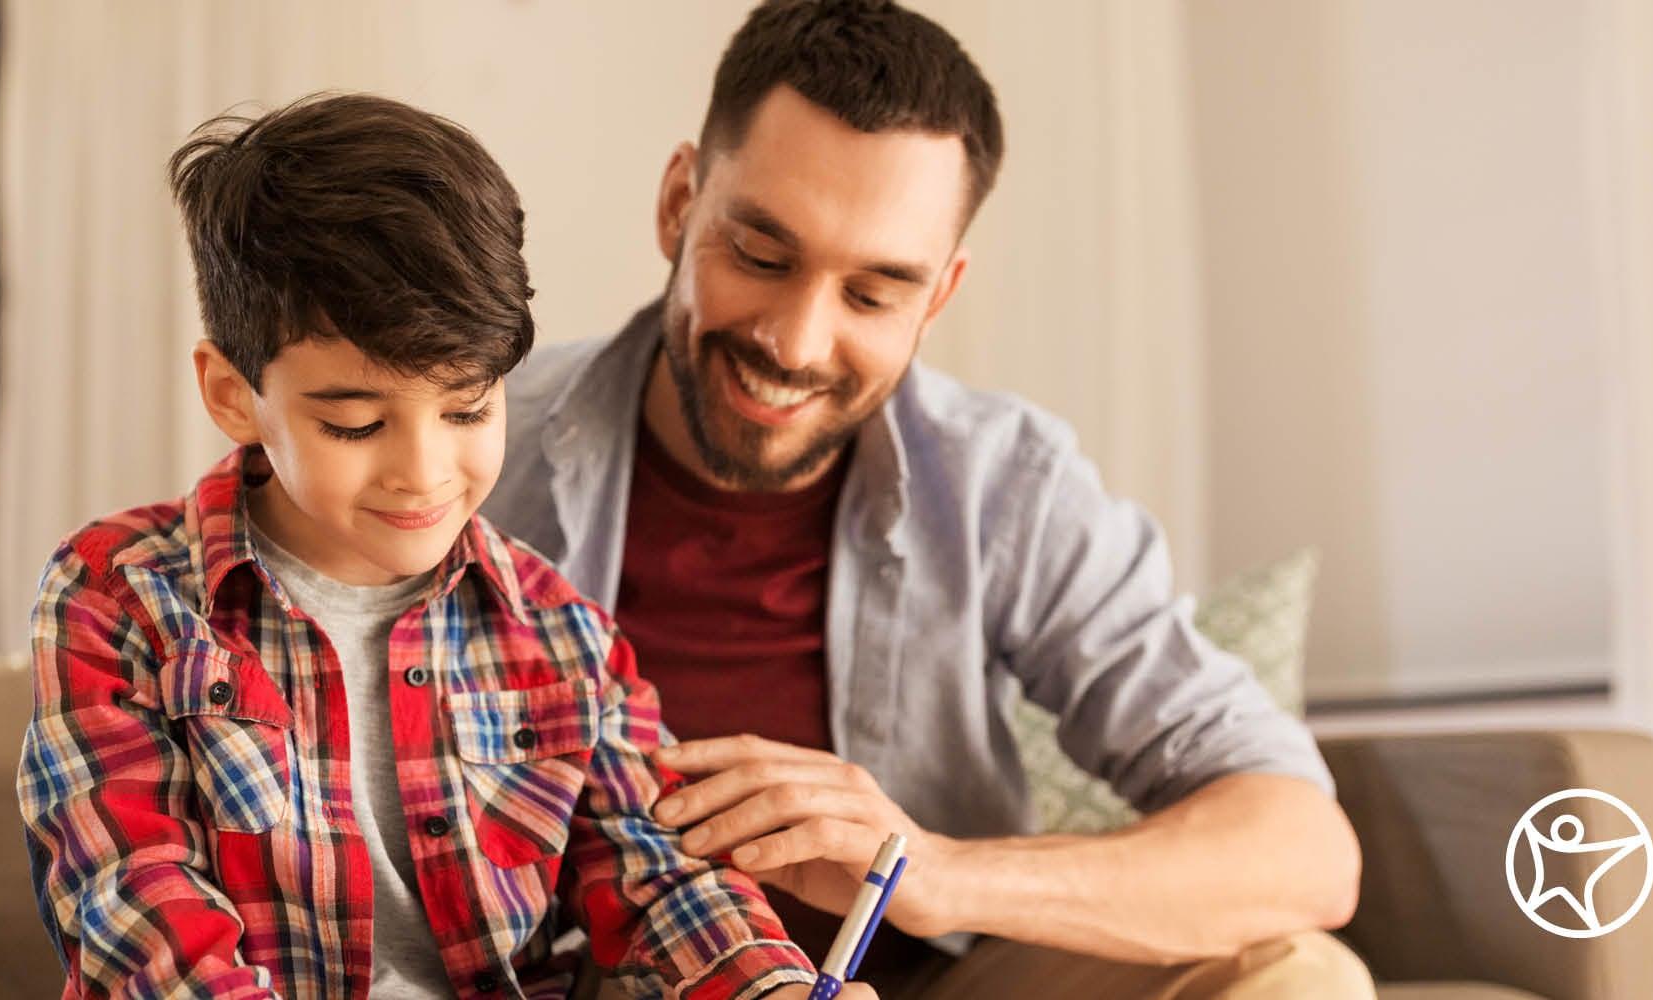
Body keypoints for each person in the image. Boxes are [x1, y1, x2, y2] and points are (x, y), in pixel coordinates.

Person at [483, 2, 1373, 996]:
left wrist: (931, 870)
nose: (798, 341)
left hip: (929, 983)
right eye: (762, 257)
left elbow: (1301, 846)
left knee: (1295, 972)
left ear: (936, 296)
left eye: (871, 294)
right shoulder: (465, 447)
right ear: (678, 203)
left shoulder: (1003, 483)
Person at [16, 92, 868, 1000]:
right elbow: (136, 910)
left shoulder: (560, 633)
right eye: (354, 422)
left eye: (468, 409)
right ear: (234, 396)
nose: (424, 475)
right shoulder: (119, 597)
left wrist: (771, 985)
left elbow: (662, 874)